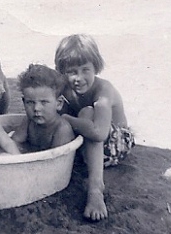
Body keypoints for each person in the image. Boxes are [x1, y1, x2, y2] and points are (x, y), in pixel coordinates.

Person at [54, 34, 135, 221]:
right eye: (72, 71)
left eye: (85, 70)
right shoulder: (65, 87)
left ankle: (96, 189)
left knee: (87, 113)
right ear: (62, 71)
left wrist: (66, 117)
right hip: (86, 138)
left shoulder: (103, 90)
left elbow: (99, 133)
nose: (78, 78)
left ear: (95, 67)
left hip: (114, 143)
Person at [12, 64, 74, 152]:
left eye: (44, 102)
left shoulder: (61, 129)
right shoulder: (28, 121)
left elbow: (57, 160)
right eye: (30, 102)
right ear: (24, 101)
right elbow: (13, 142)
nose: (36, 108)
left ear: (59, 103)